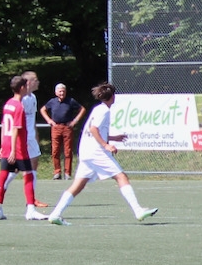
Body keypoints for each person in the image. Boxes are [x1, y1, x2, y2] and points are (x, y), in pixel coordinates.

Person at [47, 83, 158, 225]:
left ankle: (55, 214)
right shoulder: (104, 110)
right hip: (96, 152)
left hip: (86, 151)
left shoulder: (98, 109)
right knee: (121, 177)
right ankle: (138, 211)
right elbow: (94, 129)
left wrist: (113, 138)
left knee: (78, 185)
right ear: (112, 96)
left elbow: (95, 131)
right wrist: (106, 145)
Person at [0, 76, 49, 221]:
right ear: (22, 88)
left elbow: (4, 126)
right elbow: (15, 129)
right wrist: (13, 150)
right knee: (28, 176)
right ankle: (30, 210)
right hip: (17, 147)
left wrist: (2, 146)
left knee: (3, 176)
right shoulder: (19, 106)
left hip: (6, 145)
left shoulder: (8, 104)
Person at [40, 83, 87, 180]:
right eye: (60, 91)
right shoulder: (52, 102)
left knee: (68, 151)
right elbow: (43, 110)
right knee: (55, 151)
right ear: (56, 92)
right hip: (56, 127)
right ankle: (57, 172)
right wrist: (49, 120)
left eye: (63, 91)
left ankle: (67, 173)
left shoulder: (70, 101)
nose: (62, 93)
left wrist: (75, 121)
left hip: (67, 128)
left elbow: (82, 109)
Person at [21, 71, 49, 207]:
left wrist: (36, 136)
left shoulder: (33, 97)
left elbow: (32, 120)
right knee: (14, 169)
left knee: (33, 165)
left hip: (31, 137)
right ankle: (0, 191)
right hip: (23, 138)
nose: (38, 82)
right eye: (35, 80)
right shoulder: (21, 99)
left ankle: (31, 198)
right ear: (28, 82)